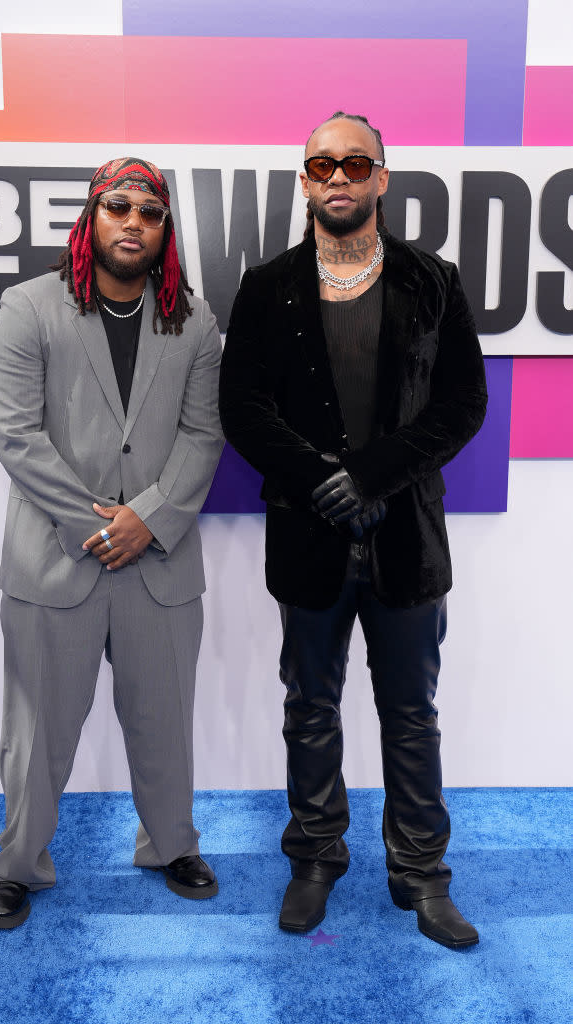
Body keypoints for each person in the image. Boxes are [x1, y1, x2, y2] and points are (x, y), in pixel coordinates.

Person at [219, 113, 488, 950]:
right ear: (304, 182)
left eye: (355, 162)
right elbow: (243, 409)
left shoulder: (432, 280)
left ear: (381, 177)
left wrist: (370, 476)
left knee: (411, 714)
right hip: (308, 540)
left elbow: (462, 406)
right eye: (322, 164)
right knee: (311, 707)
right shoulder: (266, 286)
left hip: (408, 539)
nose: (339, 176)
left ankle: (421, 875)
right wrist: (323, 485)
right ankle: (315, 861)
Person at [0, 157, 224, 929]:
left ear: (164, 231)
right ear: (91, 218)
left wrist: (148, 516)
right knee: (36, 731)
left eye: (150, 213)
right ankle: (19, 862)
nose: (134, 222)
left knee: (164, 720)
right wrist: (95, 525)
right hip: (54, 562)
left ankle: (171, 842)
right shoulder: (29, 308)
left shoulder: (195, 318)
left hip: (159, 562)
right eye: (118, 206)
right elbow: (16, 434)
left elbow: (203, 432)